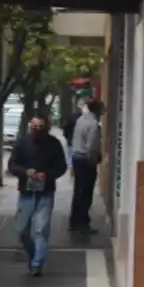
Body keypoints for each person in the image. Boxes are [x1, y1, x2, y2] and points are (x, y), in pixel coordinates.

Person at [8, 113, 67, 276]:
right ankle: (33, 254)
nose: (38, 130)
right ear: (30, 127)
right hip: (26, 192)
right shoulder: (22, 143)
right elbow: (12, 164)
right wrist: (25, 172)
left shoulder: (54, 144)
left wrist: (46, 175)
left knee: (41, 228)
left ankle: (37, 263)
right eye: (35, 127)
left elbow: (61, 167)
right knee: (21, 229)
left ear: (47, 127)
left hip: (45, 192)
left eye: (41, 127)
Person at [69, 98, 104, 234]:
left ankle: (74, 220)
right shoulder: (94, 124)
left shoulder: (81, 120)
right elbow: (90, 147)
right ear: (97, 110)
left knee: (78, 191)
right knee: (86, 192)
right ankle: (83, 222)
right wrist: (95, 159)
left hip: (77, 157)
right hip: (86, 160)